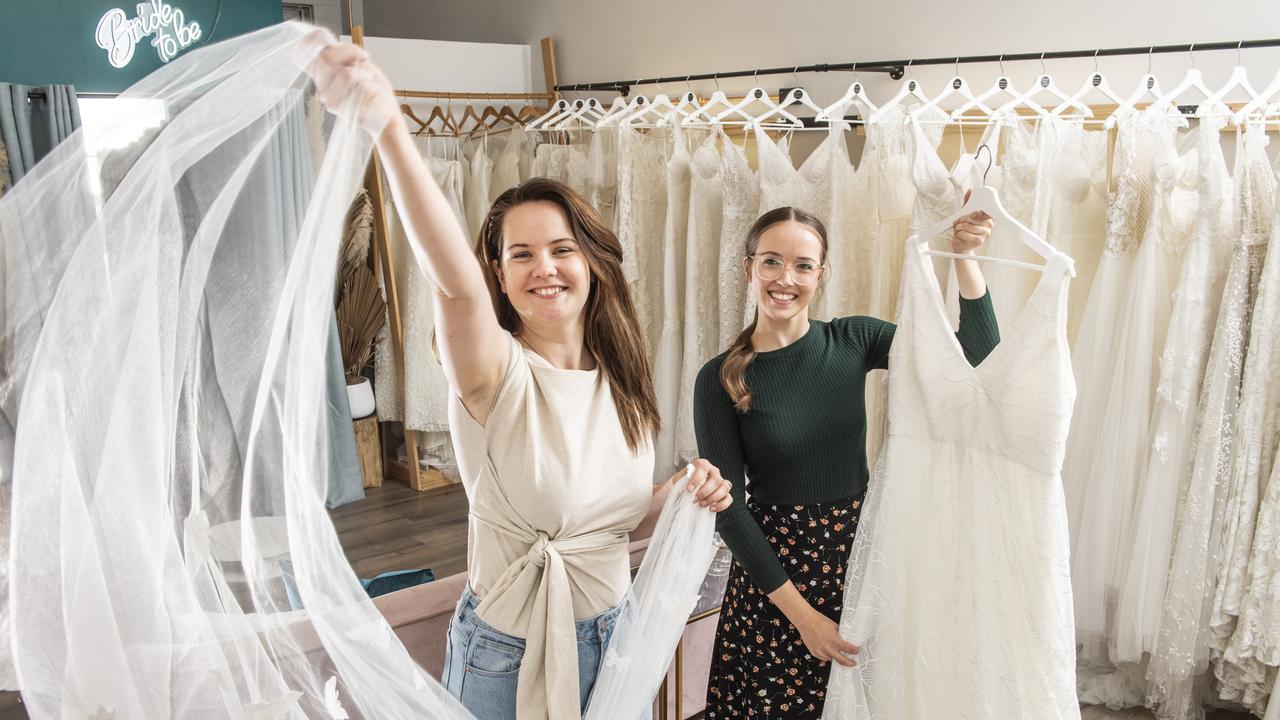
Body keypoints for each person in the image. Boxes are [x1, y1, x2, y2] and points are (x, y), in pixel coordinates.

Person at [311, 43, 733, 720]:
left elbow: (604, 523)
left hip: (610, 633)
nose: (546, 268)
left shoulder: (619, 378)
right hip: (510, 652)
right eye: (521, 254)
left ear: (593, 262)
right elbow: (451, 286)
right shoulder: (495, 372)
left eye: (563, 249)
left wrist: (682, 493)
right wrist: (389, 129)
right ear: (499, 275)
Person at [696, 205, 997, 718]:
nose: (785, 279)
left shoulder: (853, 340)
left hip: (858, 563)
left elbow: (975, 356)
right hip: (775, 583)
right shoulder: (719, 377)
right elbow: (730, 511)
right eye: (771, 262)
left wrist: (965, 260)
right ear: (749, 268)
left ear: (822, 272)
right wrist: (804, 619)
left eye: (802, 265)